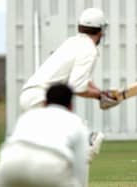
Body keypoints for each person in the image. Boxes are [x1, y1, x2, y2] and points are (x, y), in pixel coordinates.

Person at [17, 8, 114, 165]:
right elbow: (77, 86)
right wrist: (99, 96)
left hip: (31, 95)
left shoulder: (73, 42)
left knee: (56, 145)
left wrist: (102, 93)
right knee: (84, 138)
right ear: (101, 30)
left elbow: (83, 80)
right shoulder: (89, 49)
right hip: (41, 98)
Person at [0, 83, 89, 187]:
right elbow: (80, 165)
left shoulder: (28, 116)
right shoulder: (76, 122)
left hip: (9, 164)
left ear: (45, 103)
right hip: (50, 167)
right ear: (70, 106)